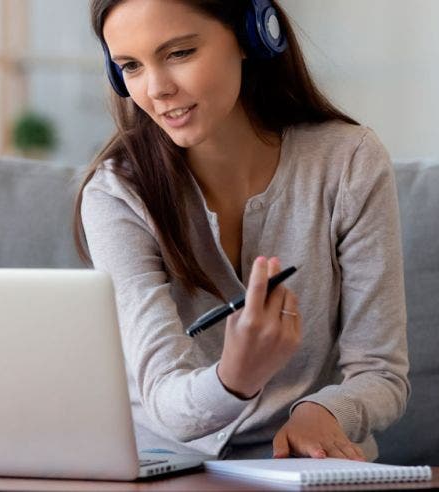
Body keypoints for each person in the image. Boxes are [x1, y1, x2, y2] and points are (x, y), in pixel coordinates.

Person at [72, 0, 409, 462]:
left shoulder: (349, 162)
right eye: (130, 66)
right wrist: (236, 375)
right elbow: (165, 400)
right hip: (168, 463)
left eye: (179, 53)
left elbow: (382, 371)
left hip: (307, 463)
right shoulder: (117, 194)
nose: (156, 89)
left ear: (252, 36)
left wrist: (327, 411)